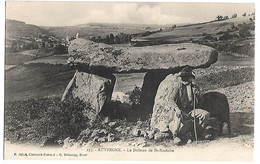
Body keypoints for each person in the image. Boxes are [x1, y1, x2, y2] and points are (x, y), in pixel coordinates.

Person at [168, 66, 211, 144]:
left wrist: (197, 95)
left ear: (191, 78)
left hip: (191, 110)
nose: (184, 79)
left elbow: (201, 102)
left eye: (187, 77)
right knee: (178, 114)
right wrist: (176, 108)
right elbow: (171, 100)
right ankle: (175, 136)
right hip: (181, 110)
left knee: (206, 114)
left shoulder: (194, 86)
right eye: (183, 77)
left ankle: (198, 132)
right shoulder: (178, 86)